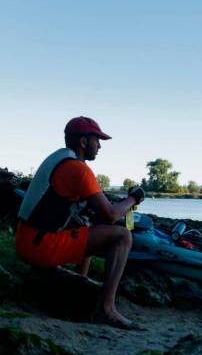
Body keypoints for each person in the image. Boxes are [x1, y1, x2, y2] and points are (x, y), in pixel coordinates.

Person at [16, 116, 145, 329]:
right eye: (97, 140)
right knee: (123, 236)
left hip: (26, 240)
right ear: (84, 142)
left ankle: (79, 282)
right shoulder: (79, 170)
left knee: (86, 225)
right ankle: (107, 309)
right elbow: (112, 215)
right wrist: (134, 199)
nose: (100, 146)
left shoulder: (61, 160)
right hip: (41, 247)